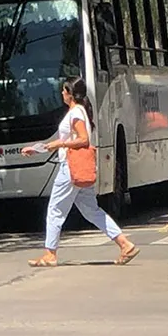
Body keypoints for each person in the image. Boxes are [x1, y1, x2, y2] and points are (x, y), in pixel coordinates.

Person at [22, 76, 139, 267]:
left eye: (64, 90)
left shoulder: (76, 112)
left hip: (70, 168)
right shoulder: (78, 111)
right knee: (91, 210)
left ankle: (50, 254)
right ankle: (125, 244)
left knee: (55, 210)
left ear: (70, 94)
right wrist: (41, 148)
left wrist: (59, 145)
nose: (61, 93)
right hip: (78, 168)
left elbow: (83, 139)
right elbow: (72, 138)